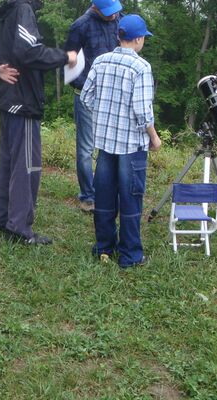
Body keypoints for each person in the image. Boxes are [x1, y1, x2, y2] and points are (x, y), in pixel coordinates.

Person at [0, 0, 77, 245]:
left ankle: (1, 220)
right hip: (23, 100)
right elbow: (29, 52)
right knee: (27, 166)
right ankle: (19, 229)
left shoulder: (11, 7)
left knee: (9, 162)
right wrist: (66, 57)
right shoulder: (24, 8)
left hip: (8, 99)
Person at [80, 14, 161, 268]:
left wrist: (103, 116)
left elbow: (85, 97)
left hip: (104, 143)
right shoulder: (141, 67)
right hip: (131, 146)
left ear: (119, 36)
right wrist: (154, 138)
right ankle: (130, 255)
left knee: (103, 196)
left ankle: (103, 247)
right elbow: (142, 110)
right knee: (130, 198)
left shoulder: (101, 61)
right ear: (138, 39)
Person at [64, 0, 123, 213]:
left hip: (113, 94)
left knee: (109, 146)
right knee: (86, 148)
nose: (114, 14)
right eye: (108, 10)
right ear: (96, 8)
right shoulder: (80, 26)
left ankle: (107, 192)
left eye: (115, 8)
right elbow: (69, 58)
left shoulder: (120, 19)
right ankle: (88, 196)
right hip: (86, 95)